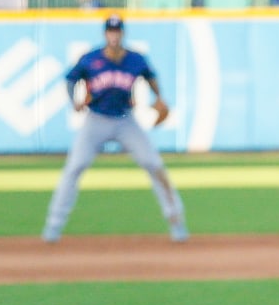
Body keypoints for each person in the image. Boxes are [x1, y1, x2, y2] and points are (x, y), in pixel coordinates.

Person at [43, 15, 186, 243]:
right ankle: (53, 226)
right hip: (96, 120)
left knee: (154, 164)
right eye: (110, 31)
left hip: (125, 121)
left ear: (122, 33)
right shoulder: (91, 59)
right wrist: (74, 101)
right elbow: (70, 79)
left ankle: (176, 222)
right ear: (105, 34)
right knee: (74, 167)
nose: (114, 35)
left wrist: (159, 97)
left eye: (117, 31)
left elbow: (151, 77)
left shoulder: (135, 59)